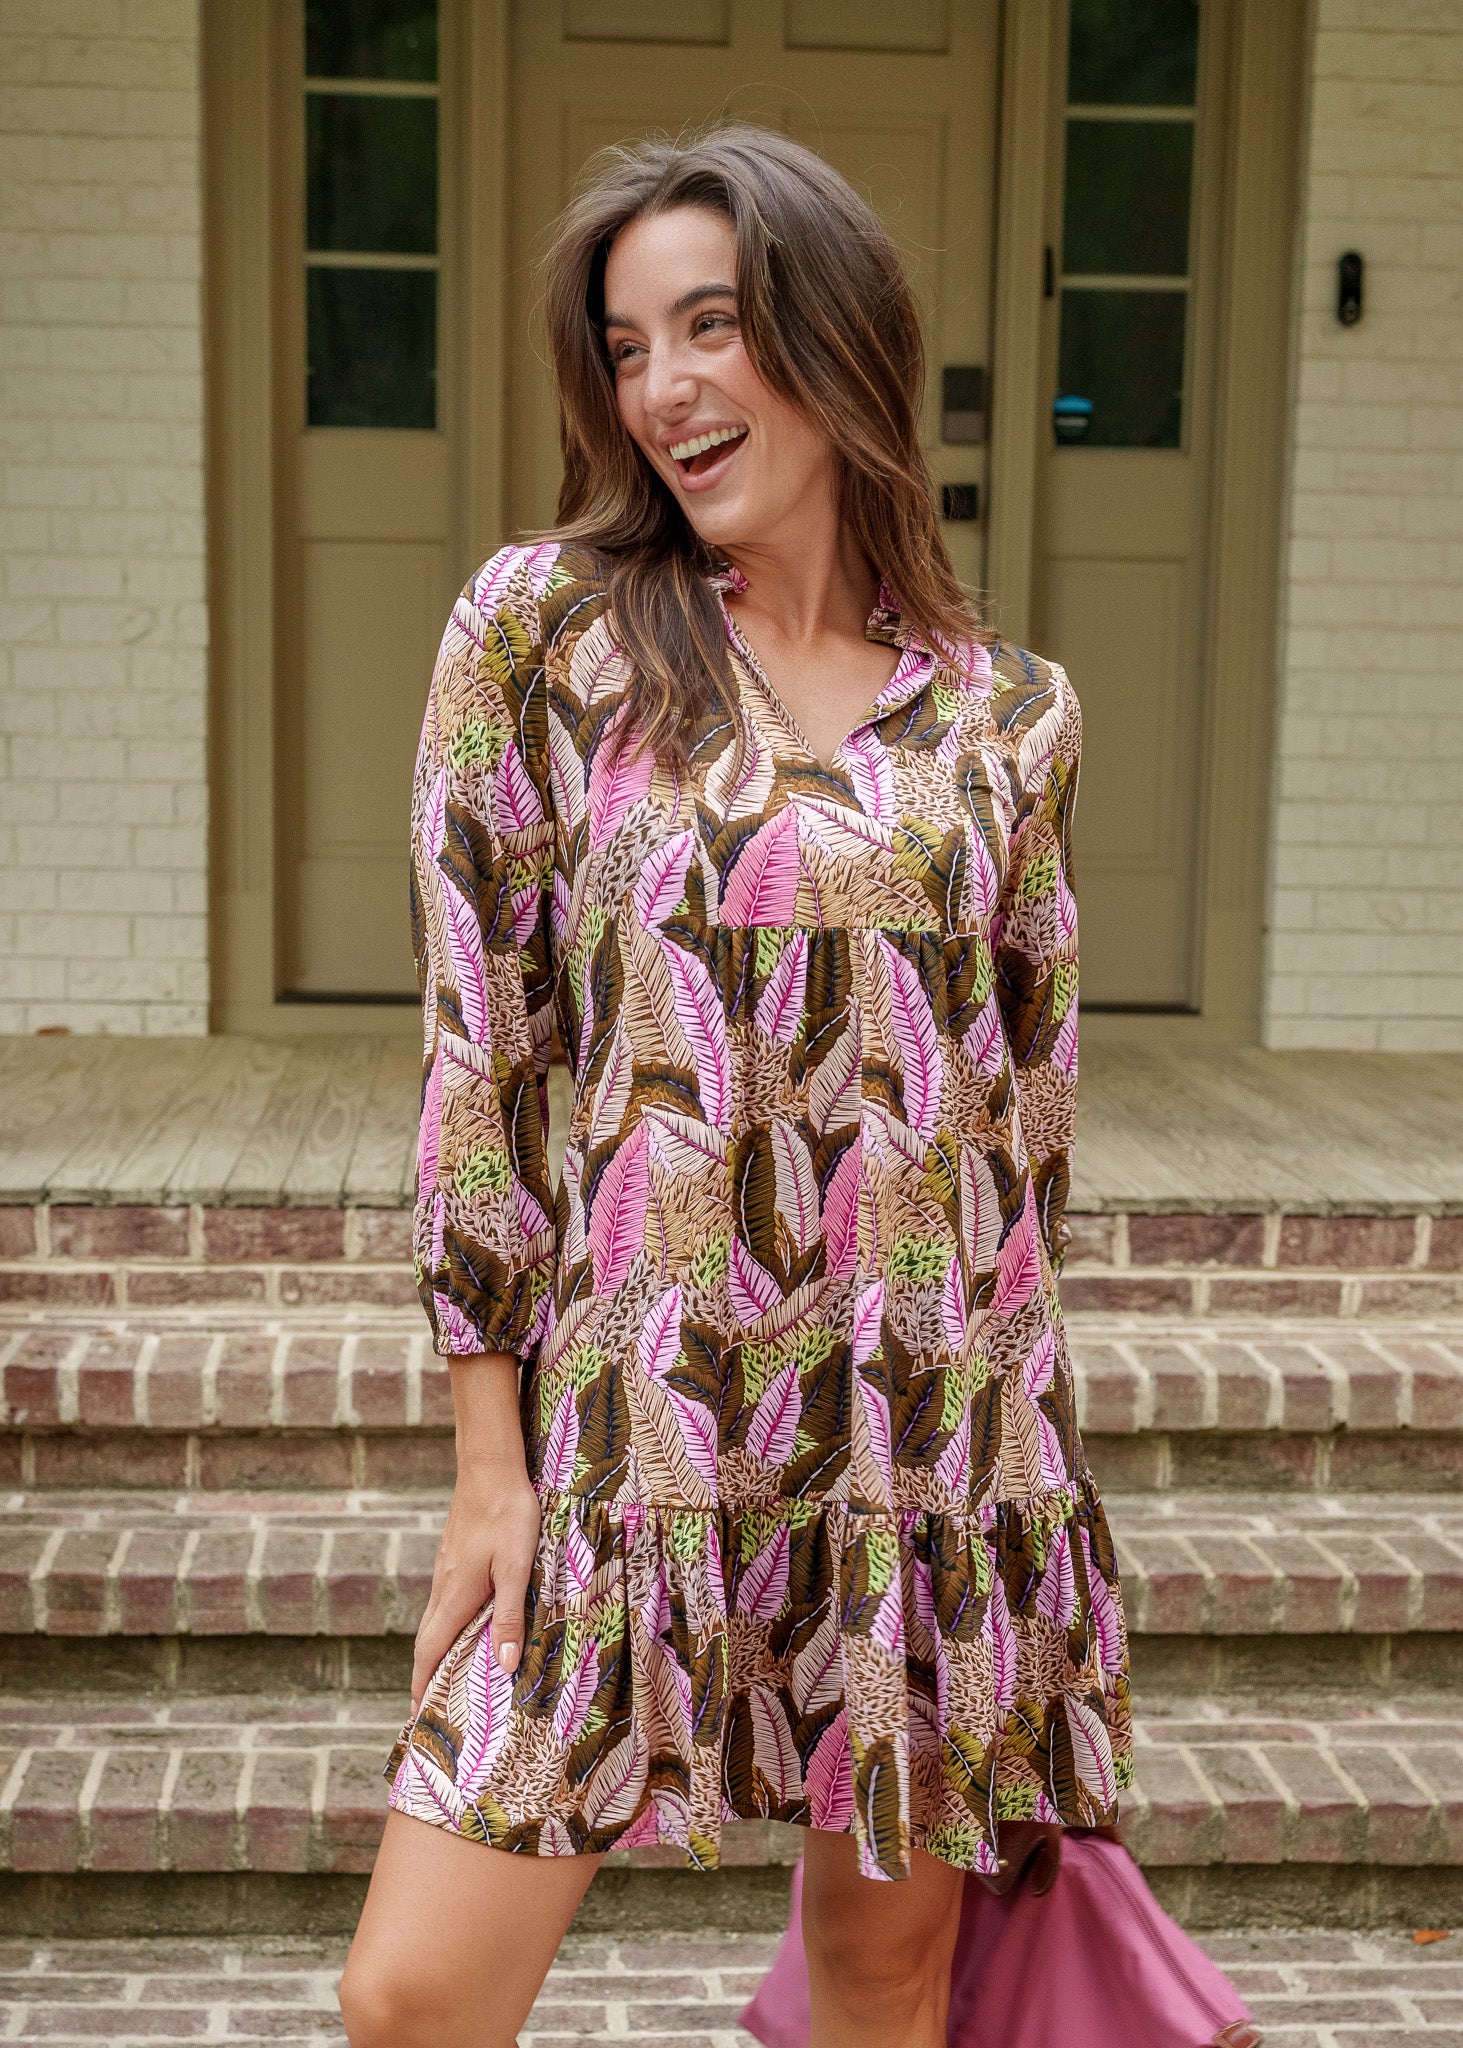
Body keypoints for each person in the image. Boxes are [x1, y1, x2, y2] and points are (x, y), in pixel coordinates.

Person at [339, 122, 1247, 2048]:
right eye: (627, 346)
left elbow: (1031, 1113)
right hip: (632, 1416)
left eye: (715, 327)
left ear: (839, 336)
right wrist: (484, 1462)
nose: (664, 387)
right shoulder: (544, 636)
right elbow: (480, 1053)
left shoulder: (1013, 716)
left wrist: (1019, 1481)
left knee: (886, 1972)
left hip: (932, 1435)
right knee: (414, 1997)